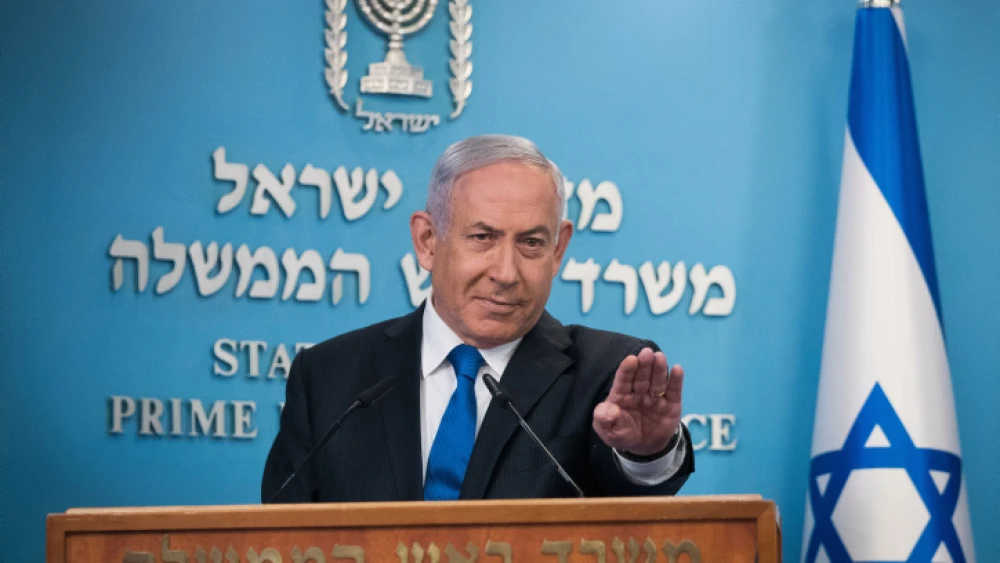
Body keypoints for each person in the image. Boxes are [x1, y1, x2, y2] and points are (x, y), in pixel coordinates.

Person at [261, 135, 694, 502]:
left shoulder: (609, 373)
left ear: (558, 249)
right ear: (427, 240)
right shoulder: (328, 378)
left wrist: (645, 455)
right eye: (483, 237)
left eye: (531, 243)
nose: (506, 273)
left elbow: (637, 512)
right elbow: (282, 536)